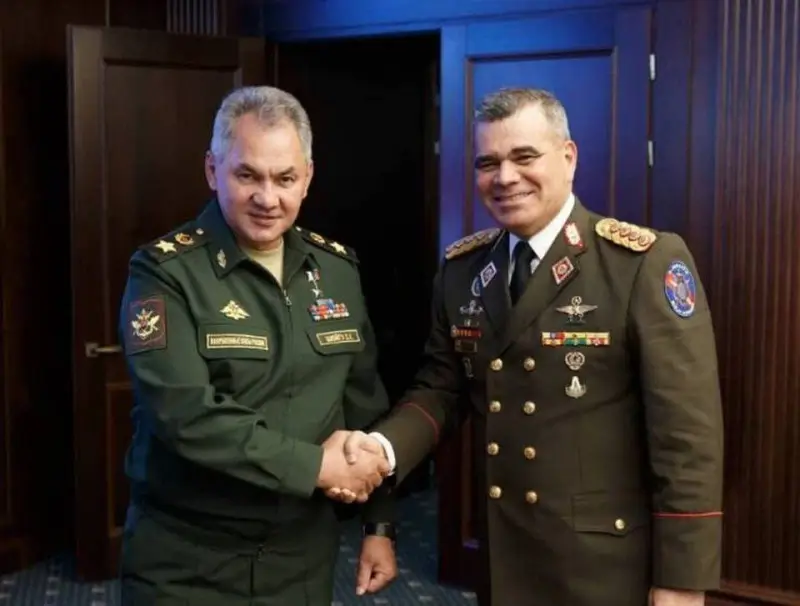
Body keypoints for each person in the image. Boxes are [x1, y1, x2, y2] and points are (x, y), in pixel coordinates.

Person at [331, 88, 724, 606]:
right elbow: (440, 390)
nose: (505, 177)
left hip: (605, 567)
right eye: (488, 162)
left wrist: (683, 579)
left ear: (568, 157)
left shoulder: (640, 264)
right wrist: (382, 451)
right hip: (505, 557)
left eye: (524, 157)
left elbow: (687, 436)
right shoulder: (464, 271)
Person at [118, 85, 397, 605]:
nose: (268, 198)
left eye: (285, 178)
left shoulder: (336, 270)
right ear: (212, 170)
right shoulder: (163, 273)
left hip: (301, 558)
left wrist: (379, 525)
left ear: (307, 178)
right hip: (188, 561)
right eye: (247, 175)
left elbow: (364, 402)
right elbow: (185, 413)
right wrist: (317, 467)